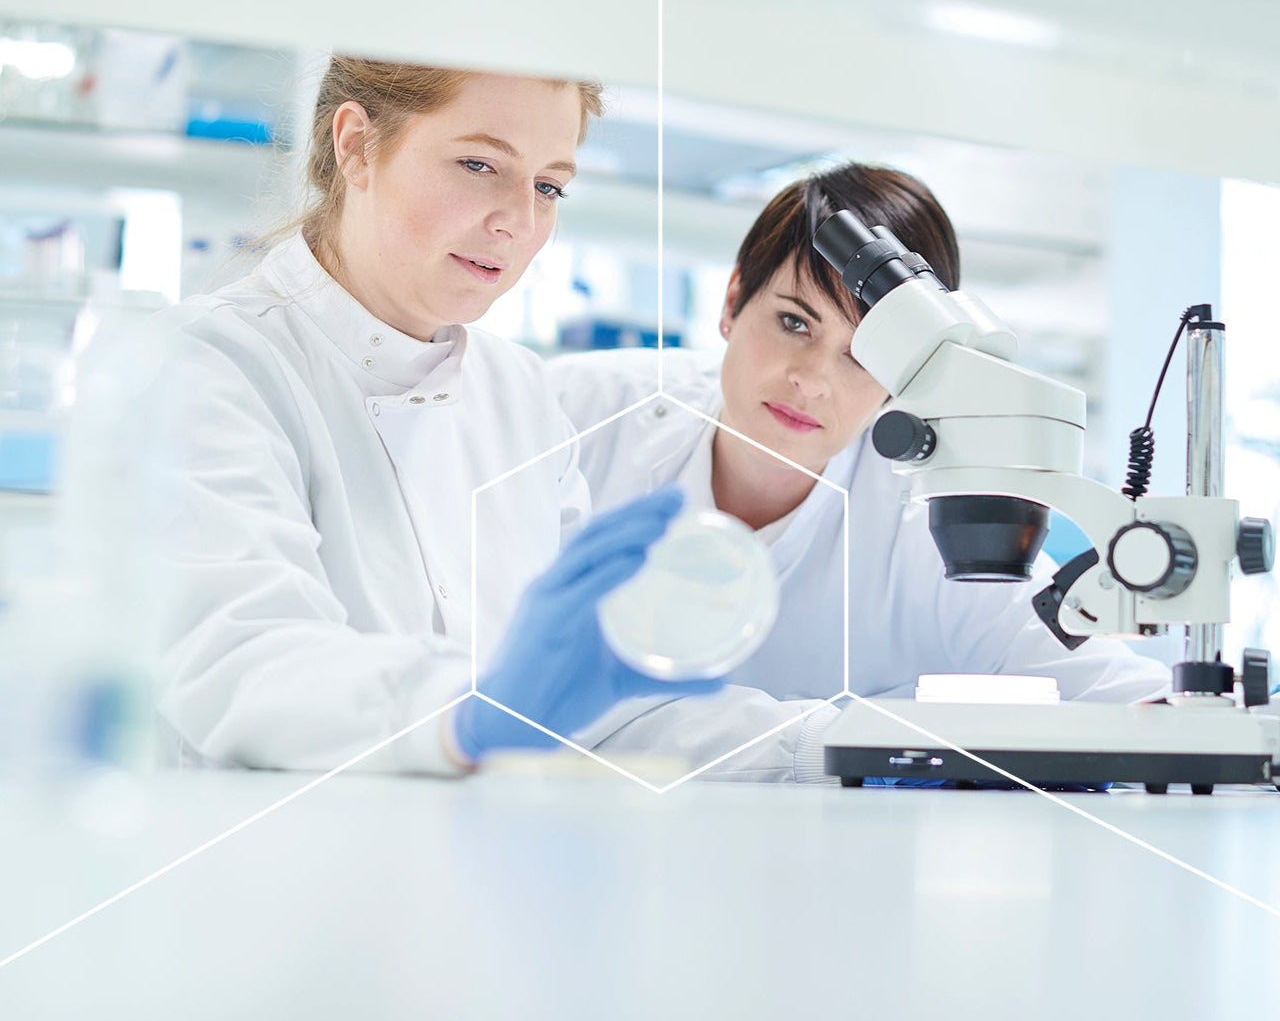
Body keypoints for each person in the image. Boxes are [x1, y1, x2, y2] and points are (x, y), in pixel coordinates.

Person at [85, 56, 720, 775]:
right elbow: (242, 660)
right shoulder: (205, 363)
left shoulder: (520, 393)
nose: (518, 220)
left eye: (548, 186)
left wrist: (823, 743)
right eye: (479, 165)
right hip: (263, 866)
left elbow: (592, 715)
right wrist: (469, 712)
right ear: (354, 145)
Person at [550, 162, 1172, 782]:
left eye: (862, 355)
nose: (812, 380)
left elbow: (1113, 695)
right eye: (794, 322)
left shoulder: (925, 517)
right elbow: (530, 687)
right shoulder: (577, 418)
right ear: (733, 300)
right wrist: (843, 738)